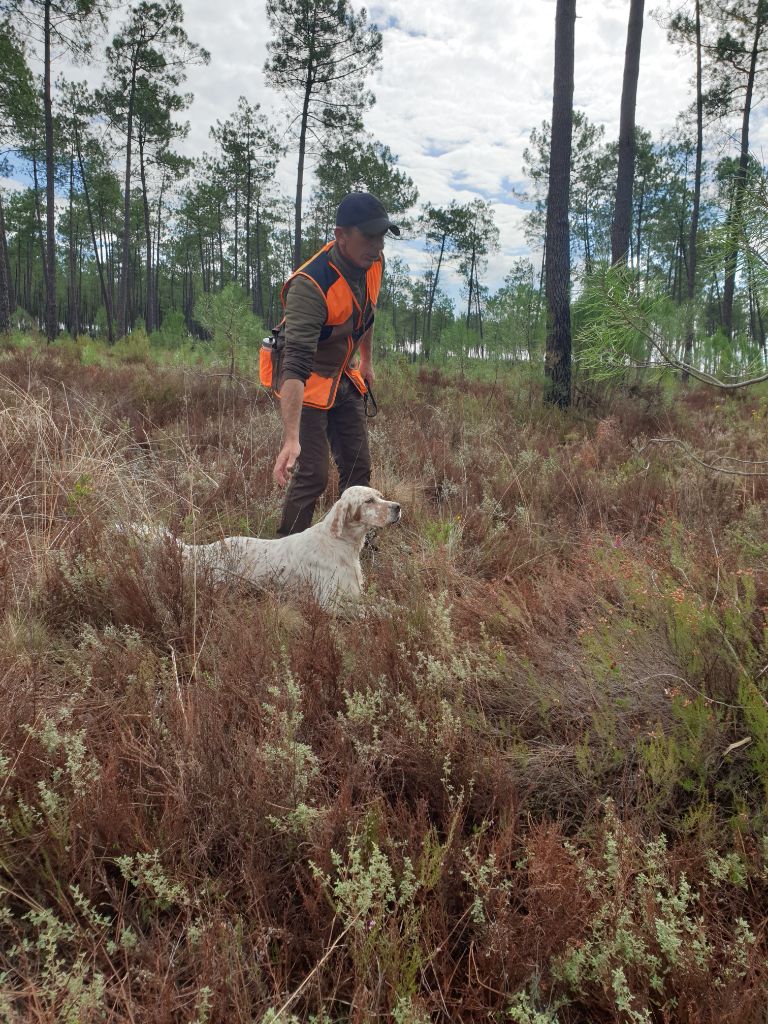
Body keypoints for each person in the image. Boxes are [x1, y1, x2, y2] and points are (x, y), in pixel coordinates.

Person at [270, 191, 399, 536]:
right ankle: (287, 553)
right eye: (369, 237)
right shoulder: (310, 285)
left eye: (382, 237)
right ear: (341, 236)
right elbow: (294, 366)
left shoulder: (372, 265)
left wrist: (366, 362)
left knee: (359, 467)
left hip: (342, 375)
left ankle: (353, 547)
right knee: (312, 473)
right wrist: (291, 438)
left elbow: (366, 315)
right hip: (306, 378)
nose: (377, 246)